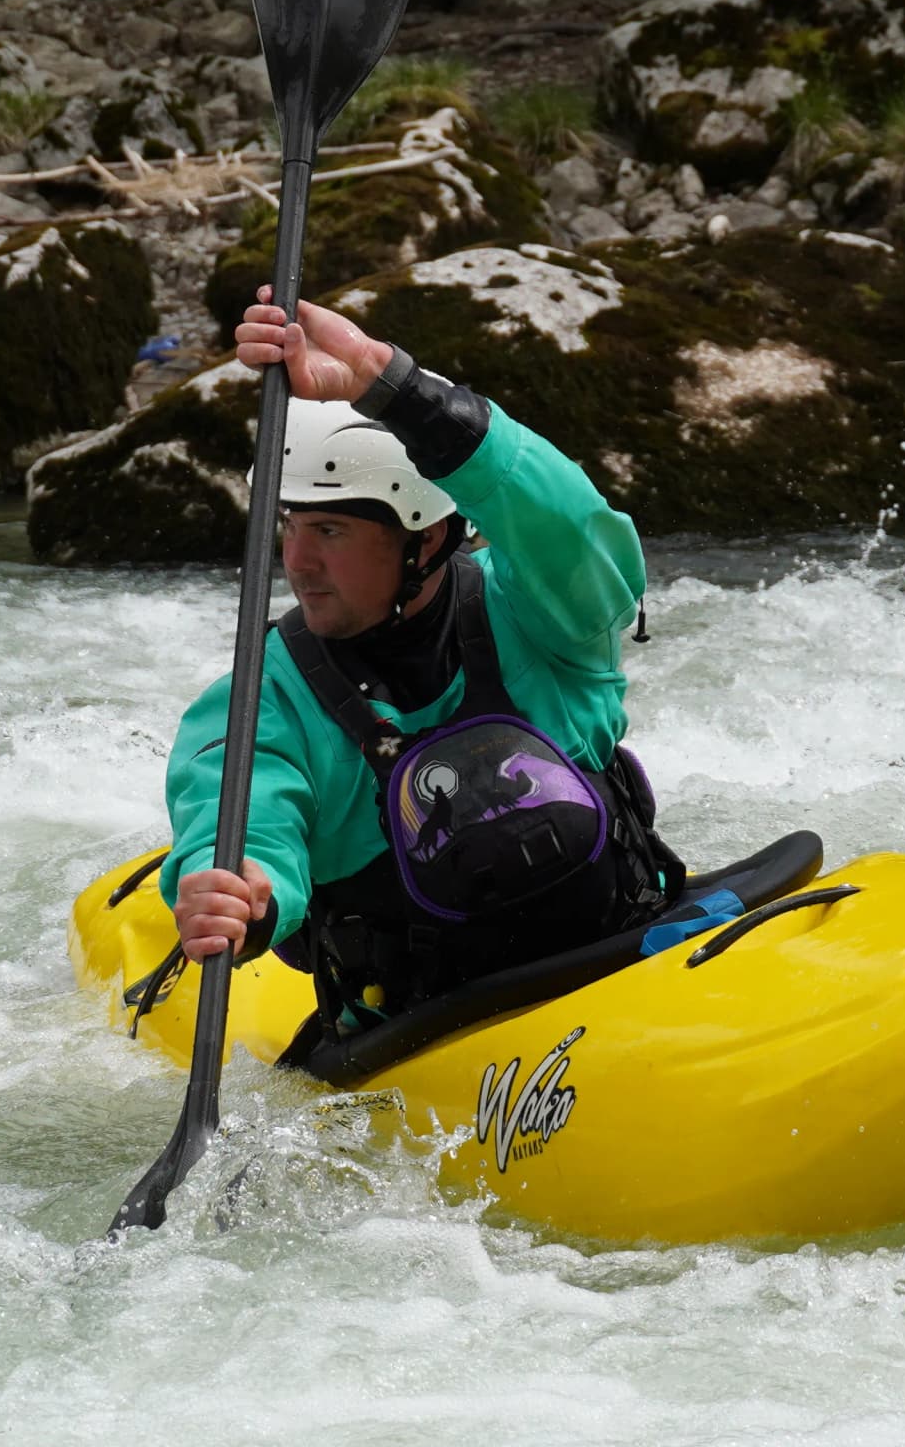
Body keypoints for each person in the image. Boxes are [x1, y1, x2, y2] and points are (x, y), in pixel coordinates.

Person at [164, 290, 681, 1052]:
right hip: (427, 1037)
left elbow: (571, 524)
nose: (298, 562)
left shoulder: (542, 612)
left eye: (331, 529)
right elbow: (240, 812)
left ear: (429, 537)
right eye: (291, 526)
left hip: (634, 963)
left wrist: (388, 382)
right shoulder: (263, 698)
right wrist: (245, 886)